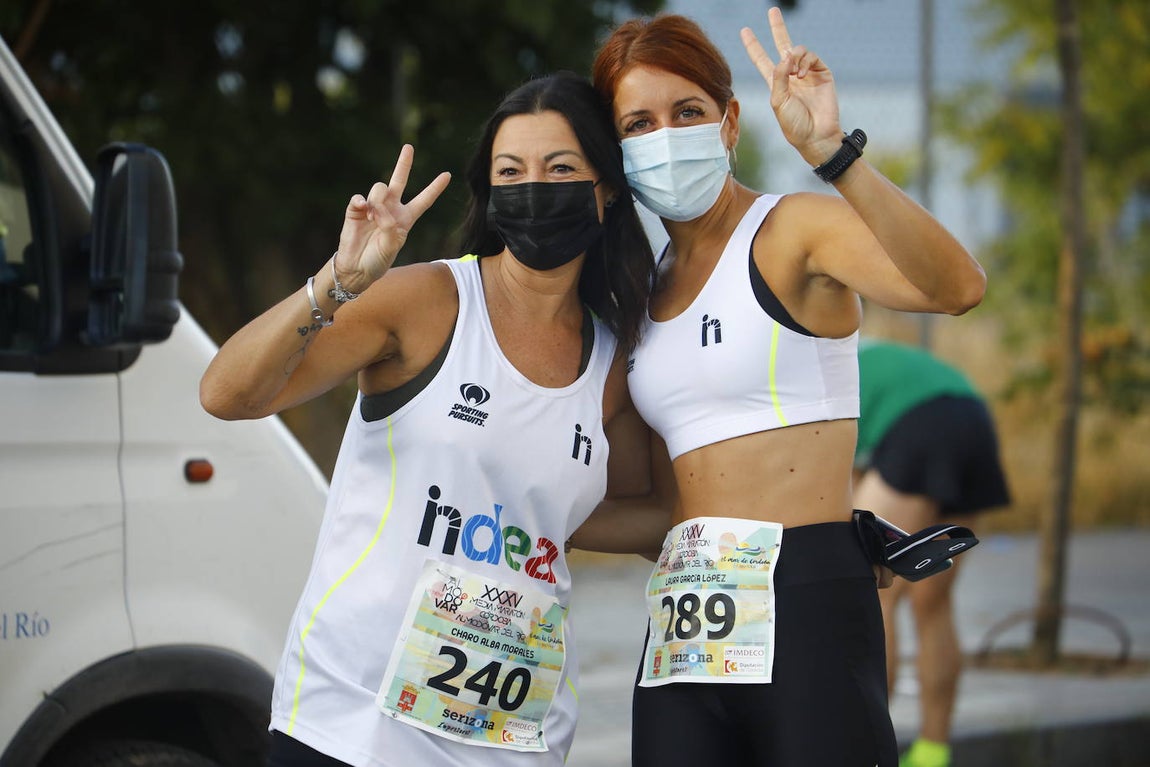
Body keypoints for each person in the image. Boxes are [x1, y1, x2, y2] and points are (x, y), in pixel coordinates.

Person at [199, 71, 657, 767]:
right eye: (512, 171)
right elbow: (227, 393)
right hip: (351, 722)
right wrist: (338, 282)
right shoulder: (426, 302)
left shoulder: (610, 364)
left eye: (560, 167)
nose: (533, 185)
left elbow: (621, 512)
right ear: (491, 192)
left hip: (509, 739)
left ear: (607, 189)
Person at [589, 7, 988, 767]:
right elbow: (660, 509)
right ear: (615, 150)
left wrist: (833, 155)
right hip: (686, 608)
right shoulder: (638, 292)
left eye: (687, 112)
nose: (665, 136)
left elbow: (958, 285)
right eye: (637, 123)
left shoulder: (793, 230)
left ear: (730, 121)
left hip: (805, 591)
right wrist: (520, 520)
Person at [853, 338, 1011, 767]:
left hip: (919, 428)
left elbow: (842, 482)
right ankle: (933, 752)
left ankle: (871, 753)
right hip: (974, 421)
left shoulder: (831, 370)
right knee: (933, 602)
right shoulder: (879, 357)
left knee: (874, 594)